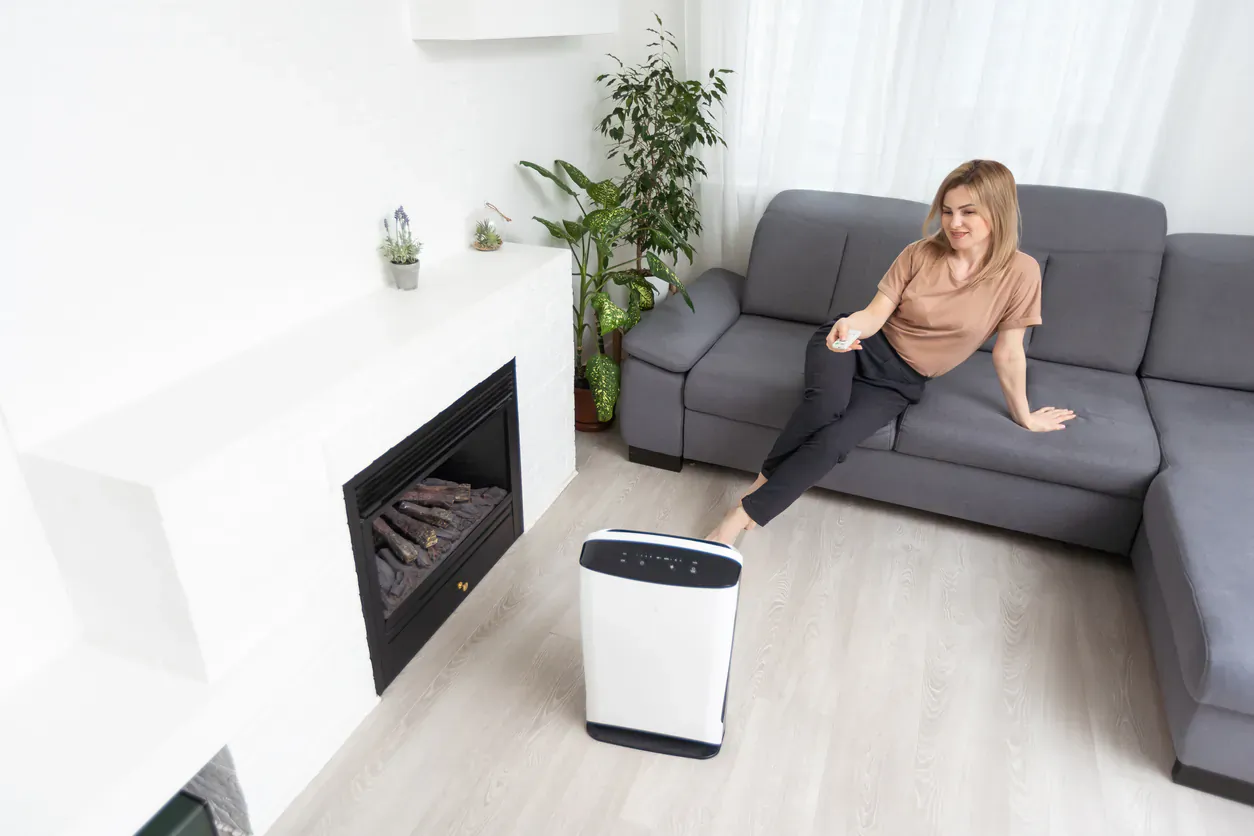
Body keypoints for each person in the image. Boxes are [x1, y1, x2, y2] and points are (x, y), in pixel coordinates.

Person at [706, 159, 1076, 546]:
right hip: (857, 346)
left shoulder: (1021, 272)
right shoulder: (919, 253)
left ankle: (745, 509)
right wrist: (846, 330)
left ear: (997, 212)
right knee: (823, 407)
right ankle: (736, 520)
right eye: (948, 211)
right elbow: (873, 314)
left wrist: (1025, 415)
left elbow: (1010, 352)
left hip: (900, 382)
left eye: (968, 212)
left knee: (834, 442)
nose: (954, 223)